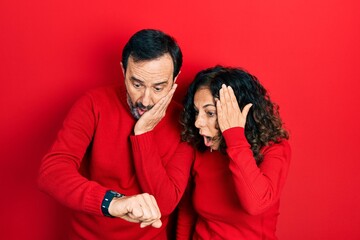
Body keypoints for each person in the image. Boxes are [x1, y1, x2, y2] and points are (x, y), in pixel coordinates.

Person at [38, 29, 193, 239]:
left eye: (158, 88)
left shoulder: (183, 122)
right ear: (123, 71)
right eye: (136, 84)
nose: (145, 100)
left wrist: (143, 133)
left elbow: (165, 204)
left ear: (175, 79)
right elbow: (52, 172)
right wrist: (112, 202)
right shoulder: (94, 104)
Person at [177, 66, 291, 239]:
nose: (198, 122)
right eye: (196, 112)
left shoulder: (274, 149)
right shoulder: (201, 149)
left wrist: (235, 137)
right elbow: (187, 211)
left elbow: (256, 204)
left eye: (210, 113)